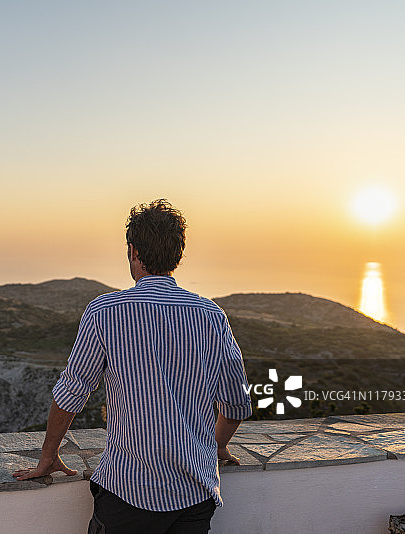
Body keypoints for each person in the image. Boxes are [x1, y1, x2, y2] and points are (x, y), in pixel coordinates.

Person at [13, 199, 252, 534]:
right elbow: (237, 401)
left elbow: (72, 392)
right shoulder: (211, 315)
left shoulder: (105, 311)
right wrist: (218, 445)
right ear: (178, 255)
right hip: (194, 495)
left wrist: (49, 452)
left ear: (133, 251)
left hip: (127, 494)